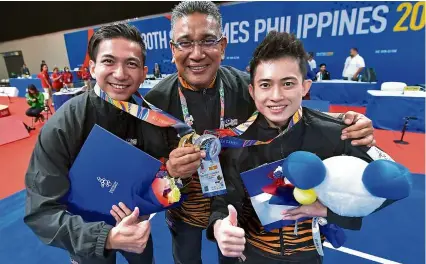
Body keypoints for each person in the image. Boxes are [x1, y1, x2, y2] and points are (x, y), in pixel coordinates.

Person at [143, 2, 376, 264]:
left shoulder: (247, 86)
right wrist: (169, 171)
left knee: (231, 256)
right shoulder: (155, 102)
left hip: (240, 210)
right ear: (173, 49)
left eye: (208, 40)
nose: (196, 54)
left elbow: (283, 108)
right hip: (185, 210)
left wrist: (342, 121)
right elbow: (146, 174)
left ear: (222, 45)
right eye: (185, 43)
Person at [208, 31, 394, 264]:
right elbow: (223, 199)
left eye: (288, 83)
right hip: (250, 254)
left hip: (307, 256)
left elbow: (390, 186)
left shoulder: (337, 132)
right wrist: (219, 225)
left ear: (305, 87)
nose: (276, 96)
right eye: (265, 85)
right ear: (252, 91)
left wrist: (329, 211)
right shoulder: (236, 141)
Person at [24, 23, 168, 264]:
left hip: (137, 224)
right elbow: (41, 211)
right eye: (109, 61)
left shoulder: (153, 118)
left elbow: (161, 173)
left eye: (131, 63)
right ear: (92, 67)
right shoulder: (65, 124)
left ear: (143, 72)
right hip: (87, 236)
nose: (120, 74)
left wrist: (171, 172)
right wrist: (107, 237)